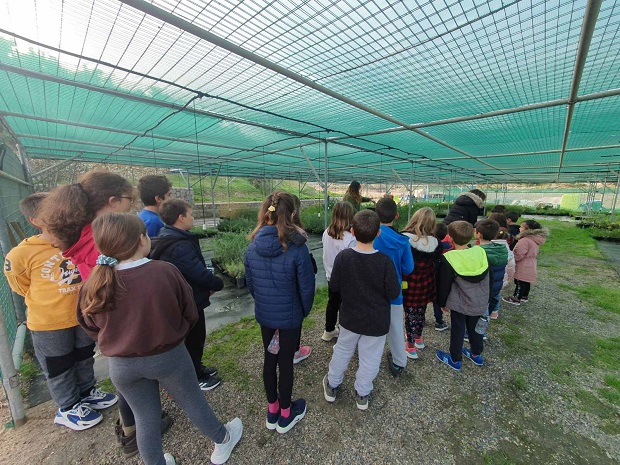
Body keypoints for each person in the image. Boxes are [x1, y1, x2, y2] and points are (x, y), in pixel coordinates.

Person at [77, 213, 242, 465]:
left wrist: (116, 340)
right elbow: (190, 311)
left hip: (122, 365)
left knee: (144, 416)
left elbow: (88, 324)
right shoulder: (164, 271)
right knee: (192, 401)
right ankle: (223, 439)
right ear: (141, 239)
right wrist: (175, 333)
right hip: (168, 356)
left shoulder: (93, 283)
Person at [38, 170, 170, 456]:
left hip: (109, 322)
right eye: (128, 201)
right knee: (133, 379)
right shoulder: (101, 241)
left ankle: (131, 427)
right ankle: (135, 433)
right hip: (123, 319)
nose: (130, 208)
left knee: (125, 374)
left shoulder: (85, 236)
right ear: (112, 202)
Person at [4, 193, 117, 431]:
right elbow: (20, 285)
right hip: (48, 323)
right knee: (59, 365)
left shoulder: (76, 240)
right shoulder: (21, 254)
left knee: (84, 355)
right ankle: (68, 406)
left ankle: (87, 392)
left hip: (81, 315)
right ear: (36, 220)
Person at [244, 191, 315, 434]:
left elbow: (251, 284)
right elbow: (307, 287)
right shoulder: (297, 248)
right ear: (292, 214)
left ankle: (272, 408)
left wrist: (265, 303)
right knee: (285, 363)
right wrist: (302, 311)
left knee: (269, 358)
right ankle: (286, 413)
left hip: (266, 315)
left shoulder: (253, 245)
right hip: (289, 317)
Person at [323, 210, 400, 410]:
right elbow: (394, 293)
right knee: (370, 357)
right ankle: (362, 393)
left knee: (343, 350)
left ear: (352, 232)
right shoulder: (385, 261)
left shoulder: (343, 257)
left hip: (350, 317)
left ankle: (332, 384)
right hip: (377, 320)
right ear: (378, 233)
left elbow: (334, 286)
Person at [150, 199, 223, 391]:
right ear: (181, 218)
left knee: (195, 338)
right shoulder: (178, 246)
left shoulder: (171, 237)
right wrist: (216, 283)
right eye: (190, 214)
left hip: (188, 298)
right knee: (193, 339)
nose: (193, 218)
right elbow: (196, 272)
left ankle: (197, 367)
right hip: (188, 301)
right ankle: (195, 378)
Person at [436, 221, 490, 371]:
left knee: (458, 330)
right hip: (479, 301)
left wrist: (442, 302)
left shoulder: (449, 258)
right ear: (472, 235)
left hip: (459, 303)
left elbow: (444, 284)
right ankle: (476, 354)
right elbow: (488, 277)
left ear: (450, 238)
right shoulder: (480, 252)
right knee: (476, 329)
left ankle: (455, 359)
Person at [372, 197, 414, 376]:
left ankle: (369, 358)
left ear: (375, 215)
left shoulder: (371, 236)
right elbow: (408, 268)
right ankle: (399, 361)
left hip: (372, 291)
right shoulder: (402, 241)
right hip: (394, 292)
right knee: (396, 327)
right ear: (396, 216)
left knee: (371, 327)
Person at [401, 207, 441, 359]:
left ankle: (410, 346)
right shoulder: (436, 243)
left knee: (410, 314)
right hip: (426, 283)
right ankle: (418, 338)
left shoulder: (405, 239)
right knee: (420, 312)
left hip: (410, 283)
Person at [321, 201, 356, 342]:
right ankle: (344, 334)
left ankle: (328, 330)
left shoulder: (326, 232)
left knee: (332, 302)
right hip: (345, 279)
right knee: (345, 306)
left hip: (330, 276)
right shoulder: (350, 238)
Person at [289, 194, 314, 364]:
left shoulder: (260, 237)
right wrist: (305, 308)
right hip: (292, 298)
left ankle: (279, 349)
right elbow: (306, 281)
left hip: (269, 305)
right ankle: (294, 351)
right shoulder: (298, 238)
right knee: (293, 324)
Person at [502, 220, 548, 305]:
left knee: (520, 281)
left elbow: (519, 253)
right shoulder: (535, 239)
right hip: (531, 262)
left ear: (528, 229)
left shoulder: (524, 240)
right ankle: (524, 296)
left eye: (522, 227)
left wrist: (512, 259)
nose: (519, 228)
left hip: (523, 263)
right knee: (526, 281)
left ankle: (516, 297)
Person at [475, 219, 508, 333]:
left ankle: (479, 332)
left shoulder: (479, 252)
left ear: (479, 234)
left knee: (482, 312)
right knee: (488, 308)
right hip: (496, 286)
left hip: (483, 289)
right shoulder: (502, 249)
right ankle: (482, 329)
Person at [490, 227, 515, 319]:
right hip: (502, 279)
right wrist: (508, 279)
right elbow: (511, 267)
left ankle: (485, 312)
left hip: (489, 279)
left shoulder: (488, 248)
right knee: (497, 295)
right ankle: (494, 313)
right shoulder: (508, 251)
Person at [431, 222, 452, 332]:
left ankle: (421, 319)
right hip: (442, 276)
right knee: (437, 301)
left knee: (425, 299)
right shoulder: (449, 246)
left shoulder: (431, 246)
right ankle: (439, 321)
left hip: (430, 274)